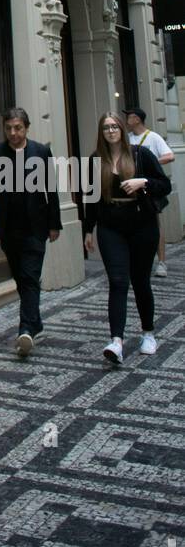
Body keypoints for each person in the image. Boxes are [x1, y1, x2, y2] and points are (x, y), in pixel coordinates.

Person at [0, 107, 62, 358]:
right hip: (9, 229)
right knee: (22, 279)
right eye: (9, 128)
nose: (13, 133)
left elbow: (51, 190)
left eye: (18, 128)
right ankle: (36, 321)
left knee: (30, 277)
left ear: (26, 128)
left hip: (36, 227)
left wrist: (54, 224)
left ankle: (25, 331)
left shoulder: (40, 152)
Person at [84, 112, 170, 364]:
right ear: (101, 133)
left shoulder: (140, 154)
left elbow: (163, 184)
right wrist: (88, 230)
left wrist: (142, 182)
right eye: (106, 128)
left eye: (114, 127)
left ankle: (148, 333)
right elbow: (90, 198)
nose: (110, 131)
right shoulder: (95, 161)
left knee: (141, 281)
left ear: (121, 130)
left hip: (142, 224)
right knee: (118, 281)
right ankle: (116, 341)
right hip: (111, 226)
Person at [124, 107, 174, 278]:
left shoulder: (153, 137)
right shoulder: (128, 139)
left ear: (137, 119)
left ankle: (161, 262)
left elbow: (169, 155)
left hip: (149, 186)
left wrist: (150, 163)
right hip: (131, 188)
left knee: (155, 222)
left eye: (129, 117)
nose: (127, 120)